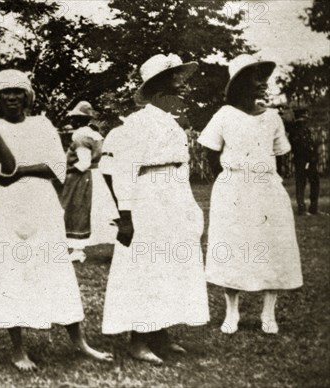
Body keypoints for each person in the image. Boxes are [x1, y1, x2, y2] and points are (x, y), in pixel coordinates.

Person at [0, 69, 113, 371]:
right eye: (5, 92)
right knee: (13, 269)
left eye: (17, 91)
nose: (11, 97)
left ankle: (80, 341)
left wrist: (22, 171)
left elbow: (58, 168)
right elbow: (1, 174)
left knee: (55, 267)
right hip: (8, 207)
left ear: (27, 95)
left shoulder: (42, 123)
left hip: (43, 203)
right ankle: (18, 348)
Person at [102, 54, 210, 365]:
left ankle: (160, 332)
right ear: (157, 88)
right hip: (147, 197)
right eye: (175, 81)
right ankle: (138, 340)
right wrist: (126, 215)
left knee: (171, 264)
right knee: (145, 266)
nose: (182, 87)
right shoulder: (137, 123)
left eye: (181, 80)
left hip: (174, 196)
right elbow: (122, 170)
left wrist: (189, 208)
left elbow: (180, 168)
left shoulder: (173, 124)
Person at [198, 54, 302, 335]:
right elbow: (210, 152)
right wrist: (230, 178)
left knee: (271, 247)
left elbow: (280, 155)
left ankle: (268, 313)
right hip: (233, 189)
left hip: (267, 188)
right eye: (255, 79)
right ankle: (232, 312)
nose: (262, 84)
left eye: (262, 79)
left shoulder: (272, 118)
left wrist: (266, 178)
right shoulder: (224, 115)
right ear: (241, 83)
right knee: (232, 246)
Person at [60, 101, 118, 262]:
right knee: (99, 212)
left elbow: (84, 162)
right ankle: (116, 245)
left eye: (75, 118)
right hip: (95, 175)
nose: (72, 121)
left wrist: (67, 170)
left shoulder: (80, 135)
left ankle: (78, 250)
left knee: (78, 211)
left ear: (80, 119)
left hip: (83, 178)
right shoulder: (95, 134)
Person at [287, 108, 323, 215]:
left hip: (311, 161)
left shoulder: (306, 130)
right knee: (301, 183)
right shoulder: (295, 131)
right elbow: (298, 148)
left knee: (315, 182)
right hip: (301, 161)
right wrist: (307, 157)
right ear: (299, 118)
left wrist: (314, 156)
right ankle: (301, 208)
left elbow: (312, 144)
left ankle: (313, 208)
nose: (305, 120)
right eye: (303, 118)